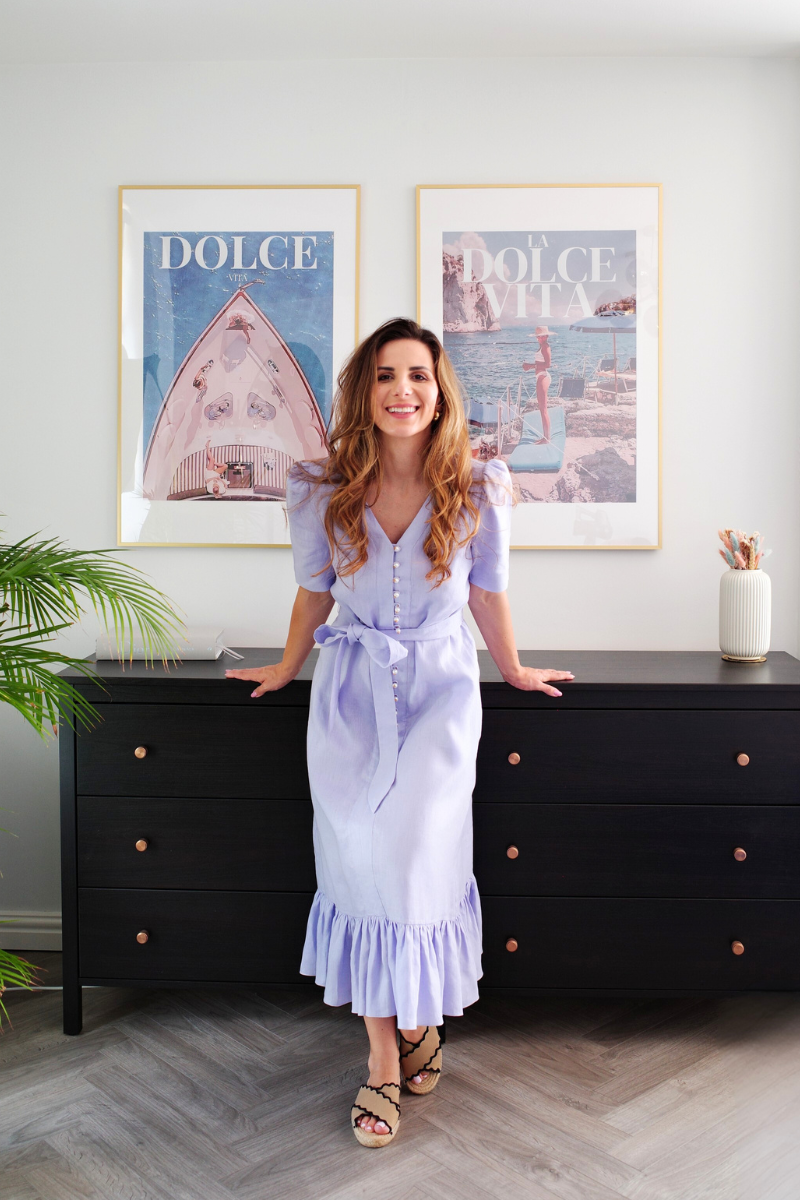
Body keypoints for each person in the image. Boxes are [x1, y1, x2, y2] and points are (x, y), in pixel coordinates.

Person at [225, 318, 574, 1147]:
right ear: (365, 390)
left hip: (442, 689)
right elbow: (315, 591)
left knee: (414, 854)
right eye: (385, 375)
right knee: (355, 856)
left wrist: (515, 670)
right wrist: (284, 666)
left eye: (417, 374)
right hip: (347, 691)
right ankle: (386, 1054)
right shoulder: (318, 485)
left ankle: (418, 1021)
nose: (402, 390)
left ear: (440, 388)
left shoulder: (482, 484)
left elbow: (487, 593)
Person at [522, 325, 555, 445]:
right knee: (542, 409)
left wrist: (530, 366)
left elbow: (548, 364)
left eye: (541, 336)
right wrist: (530, 366)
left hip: (543, 376)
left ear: (546, 336)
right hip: (540, 376)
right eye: (538, 337)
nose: (539, 338)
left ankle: (547, 439)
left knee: (543, 409)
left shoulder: (545, 347)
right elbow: (540, 363)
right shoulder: (542, 347)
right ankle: (545, 437)